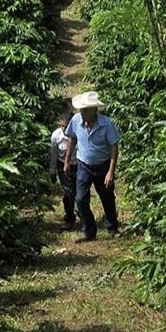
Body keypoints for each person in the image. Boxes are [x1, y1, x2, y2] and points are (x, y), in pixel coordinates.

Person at [63, 91, 121, 243]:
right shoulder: (76, 121)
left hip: (103, 166)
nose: (83, 113)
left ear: (95, 110)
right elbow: (72, 138)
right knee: (80, 199)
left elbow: (114, 146)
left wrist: (110, 172)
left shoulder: (106, 124)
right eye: (82, 109)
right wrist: (67, 161)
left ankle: (112, 227)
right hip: (84, 166)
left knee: (107, 198)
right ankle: (89, 231)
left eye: (86, 110)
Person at [50, 111, 78, 230]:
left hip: (79, 165)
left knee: (80, 193)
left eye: (66, 126)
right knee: (68, 193)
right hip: (63, 166)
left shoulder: (78, 132)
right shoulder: (56, 136)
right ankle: (69, 218)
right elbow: (54, 154)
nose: (64, 129)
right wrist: (52, 171)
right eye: (61, 126)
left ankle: (83, 215)